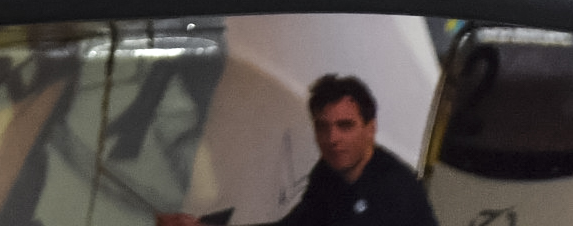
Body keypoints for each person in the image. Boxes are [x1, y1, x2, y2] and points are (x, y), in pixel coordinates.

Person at [158, 74, 434, 226]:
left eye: (345, 126)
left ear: (370, 129)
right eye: (323, 127)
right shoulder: (328, 173)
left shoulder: (394, 191)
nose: (332, 139)